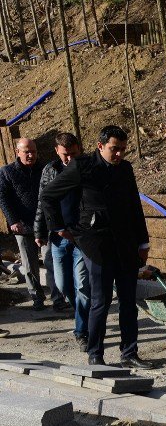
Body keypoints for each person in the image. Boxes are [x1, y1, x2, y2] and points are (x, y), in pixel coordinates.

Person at [39, 125, 156, 369]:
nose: (119, 155)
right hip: (95, 243)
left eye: (123, 150)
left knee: (127, 301)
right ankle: (95, 353)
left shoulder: (125, 169)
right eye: (114, 149)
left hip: (125, 243)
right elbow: (48, 195)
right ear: (100, 146)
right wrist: (59, 226)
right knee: (100, 301)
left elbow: (134, 204)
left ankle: (129, 352)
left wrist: (143, 241)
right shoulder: (82, 166)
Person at [36, 132, 90, 350]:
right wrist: (39, 230)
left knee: (82, 286)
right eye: (65, 155)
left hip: (81, 236)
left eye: (73, 154)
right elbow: (42, 201)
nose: (69, 159)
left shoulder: (86, 168)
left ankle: (82, 331)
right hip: (57, 237)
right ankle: (80, 313)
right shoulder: (50, 170)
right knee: (62, 285)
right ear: (57, 151)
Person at [0, 138, 45, 310]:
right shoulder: (7, 172)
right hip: (23, 225)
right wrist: (13, 221)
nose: (30, 155)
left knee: (51, 260)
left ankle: (58, 298)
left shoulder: (44, 169)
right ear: (17, 152)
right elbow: (3, 198)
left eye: (33, 151)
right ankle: (37, 297)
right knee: (29, 264)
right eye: (26, 151)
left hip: (45, 224)